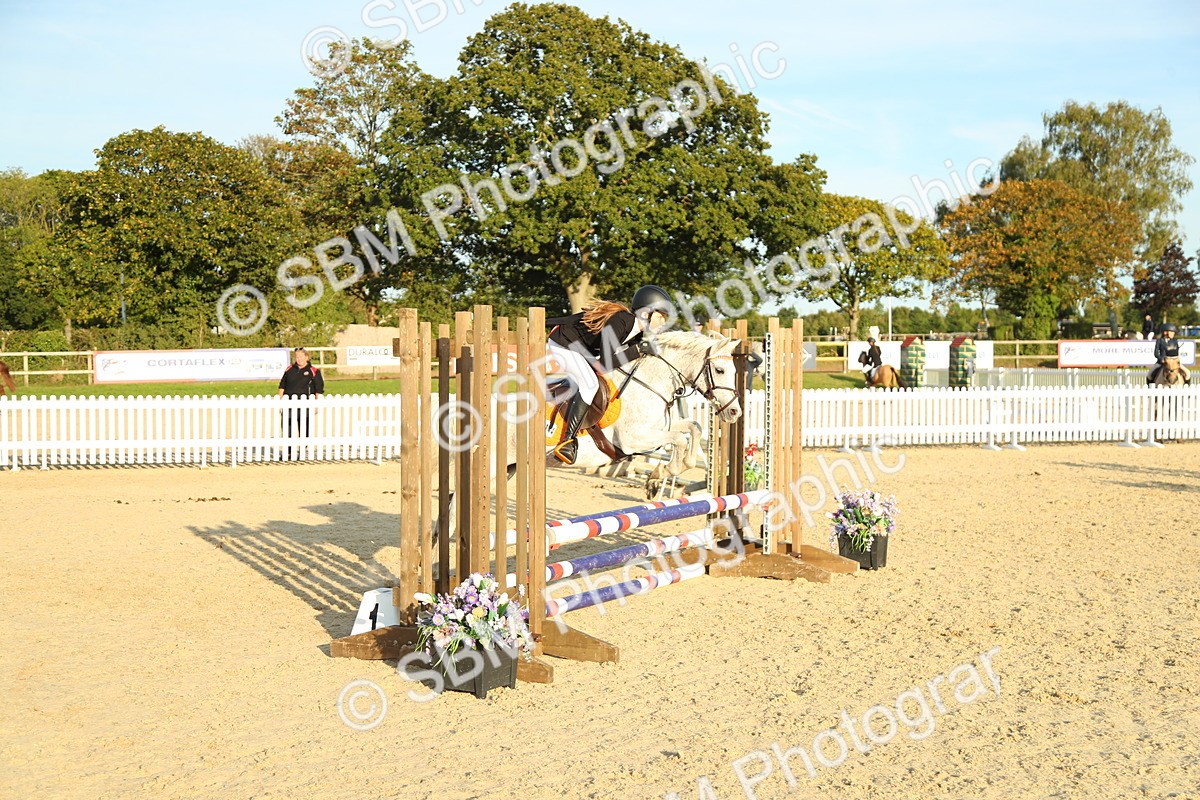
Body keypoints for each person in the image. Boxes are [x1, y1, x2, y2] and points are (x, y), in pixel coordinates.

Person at [546, 285, 674, 464]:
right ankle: (567, 441)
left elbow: (623, 361)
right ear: (647, 313)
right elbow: (604, 364)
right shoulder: (620, 321)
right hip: (563, 343)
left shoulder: (635, 333)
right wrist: (637, 350)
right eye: (661, 316)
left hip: (583, 349)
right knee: (590, 384)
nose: (663, 322)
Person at [278, 347, 324, 457]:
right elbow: (282, 386)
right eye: (297, 357)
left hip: (305, 405)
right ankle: (288, 452)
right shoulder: (289, 369)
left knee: (305, 429)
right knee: (287, 427)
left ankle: (302, 450)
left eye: (301, 357)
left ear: (306, 357)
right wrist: (280, 402)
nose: (299, 359)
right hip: (289, 404)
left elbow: (319, 390)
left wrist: (316, 405)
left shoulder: (314, 371)